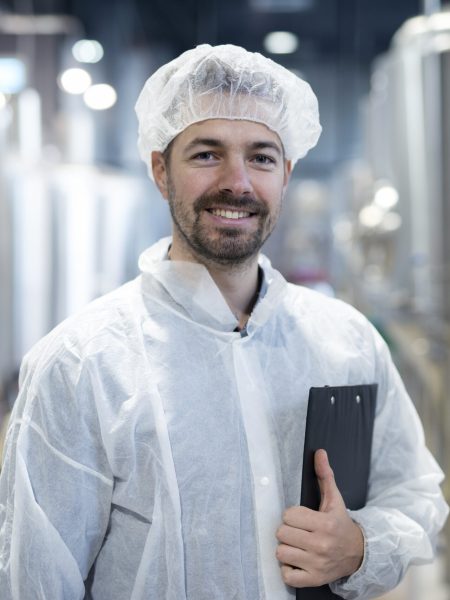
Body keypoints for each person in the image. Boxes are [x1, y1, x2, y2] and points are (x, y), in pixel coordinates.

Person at [0, 44, 448, 600]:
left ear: (285, 174)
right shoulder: (81, 364)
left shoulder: (346, 339)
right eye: (207, 154)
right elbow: (34, 581)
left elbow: (414, 494)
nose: (237, 183)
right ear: (160, 170)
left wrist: (360, 545)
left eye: (261, 157)